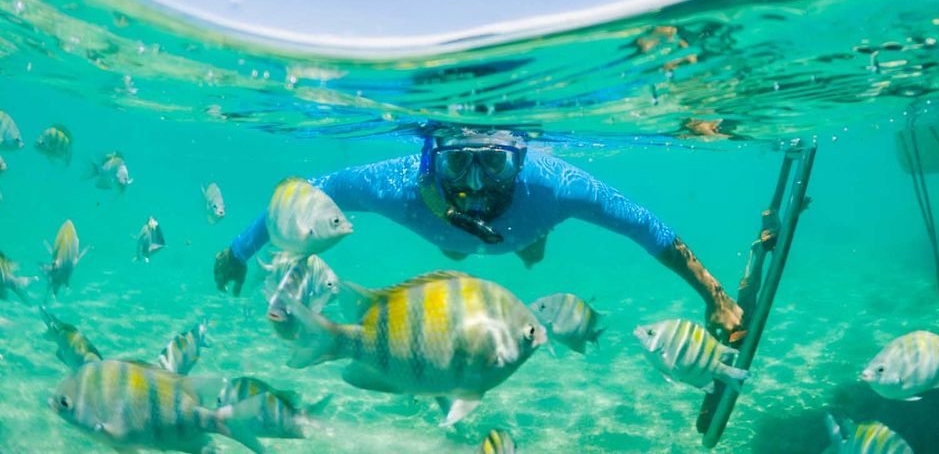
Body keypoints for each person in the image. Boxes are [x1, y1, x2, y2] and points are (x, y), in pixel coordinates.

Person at [213, 130, 744, 334]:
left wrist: (714, 297)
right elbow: (306, 193)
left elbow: (645, 227)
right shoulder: (397, 185)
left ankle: (531, 244)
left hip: (528, 226)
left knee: (529, 248)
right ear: (430, 157)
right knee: (459, 249)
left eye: (494, 164)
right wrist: (238, 252)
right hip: (449, 233)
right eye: (457, 164)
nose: (473, 184)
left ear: (520, 158)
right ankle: (509, 243)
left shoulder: (555, 186)